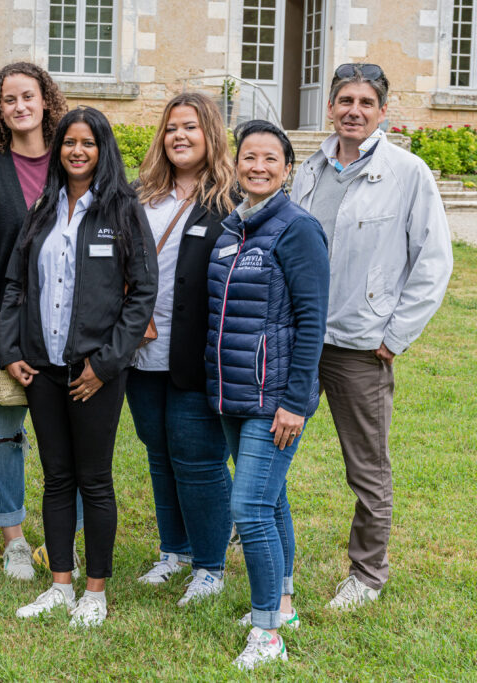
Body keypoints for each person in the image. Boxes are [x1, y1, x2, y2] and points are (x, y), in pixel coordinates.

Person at [290, 63, 453, 609]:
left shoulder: (408, 173)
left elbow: (433, 262)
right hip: (298, 337)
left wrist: (393, 336)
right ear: (330, 108)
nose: (353, 111)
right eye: (344, 101)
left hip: (361, 345)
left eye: (365, 102)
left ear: (383, 111)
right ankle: (253, 526)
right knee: (265, 443)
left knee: (366, 466)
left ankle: (366, 573)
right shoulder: (307, 170)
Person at [0, 107, 157, 628]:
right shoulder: (43, 207)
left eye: (88, 142)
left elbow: (143, 295)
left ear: (102, 148)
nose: (77, 151)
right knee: (56, 478)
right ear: (58, 149)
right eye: (69, 142)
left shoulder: (122, 210)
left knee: (95, 480)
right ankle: (60, 585)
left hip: (96, 373)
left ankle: (95, 592)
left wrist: (106, 363)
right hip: (43, 368)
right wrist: (11, 349)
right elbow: (16, 285)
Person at [206, 121, 329, 670]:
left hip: (275, 396)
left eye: (269, 159)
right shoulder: (234, 226)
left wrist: (296, 401)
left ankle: (266, 635)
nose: (257, 167)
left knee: (249, 507)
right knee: (271, 499)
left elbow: (312, 321)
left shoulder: (297, 228)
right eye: (248, 157)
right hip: (234, 392)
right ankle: (283, 603)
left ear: (287, 168)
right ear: (237, 164)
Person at [0, 61, 74, 580]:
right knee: (1, 433)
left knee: (66, 437)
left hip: (68, 328)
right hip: (2, 330)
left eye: (29, 96)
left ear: (46, 100)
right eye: (8, 100)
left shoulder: (74, 160)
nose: (20, 106)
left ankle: (59, 535)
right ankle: (13, 539)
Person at [125, 93, 237, 605]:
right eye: (171, 128)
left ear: (210, 134)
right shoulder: (141, 195)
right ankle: (175, 552)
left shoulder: (230, 203)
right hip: (141, 352)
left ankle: (210, 566)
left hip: (197, 353)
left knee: (198, 458)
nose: (179, 137)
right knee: (158, 453)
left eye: (190, 127)